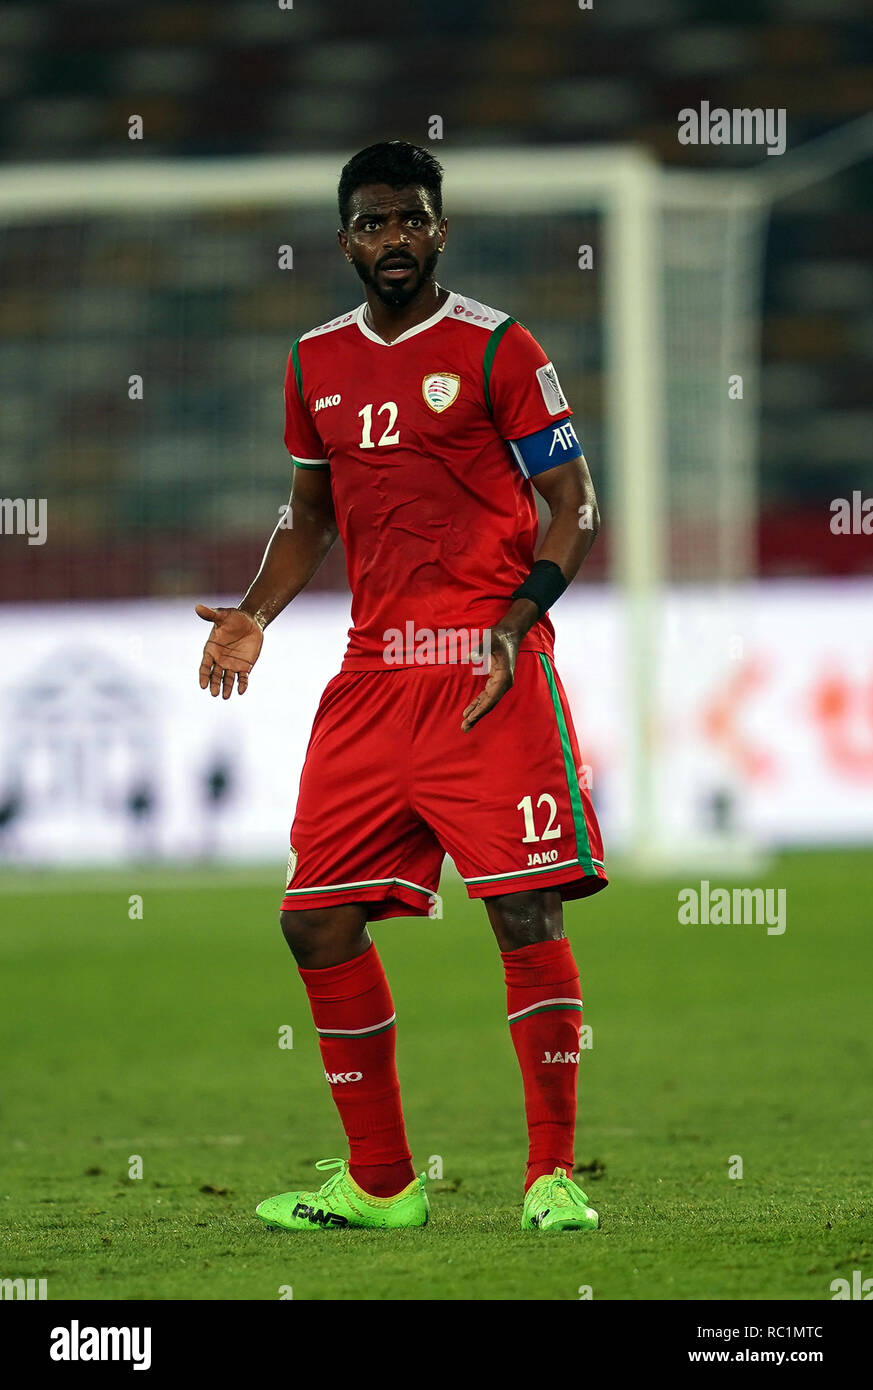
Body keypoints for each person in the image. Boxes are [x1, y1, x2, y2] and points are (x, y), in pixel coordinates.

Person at [196, 141, 607, 1234]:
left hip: (485, 663)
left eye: (413, 220)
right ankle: (382, 1182)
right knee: (315, 923)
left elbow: (575, 504)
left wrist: (521, 621)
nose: (395, 241)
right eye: (374, 225)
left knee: (524, 907)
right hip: (376, 676)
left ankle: (552, 1176)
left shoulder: (498, 348)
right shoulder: (313, 361)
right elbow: (310, 517)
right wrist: (254, 612)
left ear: (440, 231)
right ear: (344, 242)